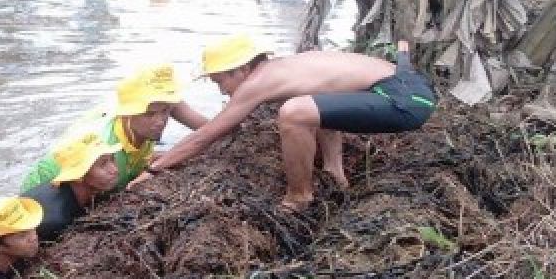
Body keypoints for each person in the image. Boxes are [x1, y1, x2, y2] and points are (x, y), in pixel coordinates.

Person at [140, 34, 436, 210]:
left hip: (403, 100)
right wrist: (334, 164)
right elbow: (327, 108)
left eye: (220, 81)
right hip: (410, 90)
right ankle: (335, 172)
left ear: (241, 69)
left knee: (293, 113)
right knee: (309, 106)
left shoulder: (258, 82)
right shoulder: (288, 69)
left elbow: (208, 134)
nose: (221, 90)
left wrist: (155, 169)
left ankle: (298, 197)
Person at [22, 64, 208, 192]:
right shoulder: (103, 146)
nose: (160, 121)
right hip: (45, 187)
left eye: (166, 111)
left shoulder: (138, 123)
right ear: (128, 113)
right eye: (150, 114)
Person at [22, 129, 121, 241]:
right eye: (103, 164)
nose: (115, 170)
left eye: (112, 159)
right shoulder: (57, 221)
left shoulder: (95, 190)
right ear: (79, 176)